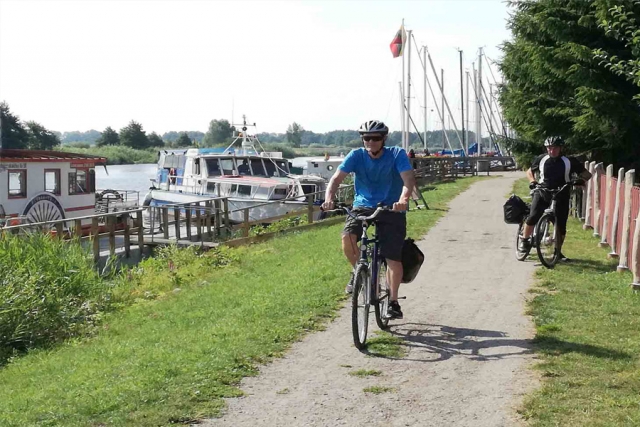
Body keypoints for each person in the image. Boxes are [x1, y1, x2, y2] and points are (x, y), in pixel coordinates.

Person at [322, 120, 416, 319]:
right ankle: (359, 272)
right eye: (367, 138)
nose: (371, 142)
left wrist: (403, 199)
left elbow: (408, 179)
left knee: (392, 256)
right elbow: (336, 178)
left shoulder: (396, 154)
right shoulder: (356, 155)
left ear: (384, 139)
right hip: (362, 205)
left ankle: (393, 302)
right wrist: (329, 198)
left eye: (375, 138)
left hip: (391, 207)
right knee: (347, 238)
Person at [519, 136, 592, 261]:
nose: (552, 151)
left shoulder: (569, 161)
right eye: (549, 148)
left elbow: (587, 174)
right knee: (534, 215)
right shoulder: (542, 159)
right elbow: (529, 171)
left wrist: (580, 180)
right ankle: (524, 241)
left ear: (560, 149)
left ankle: (558, 253)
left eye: (555, 148)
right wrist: (532, 181)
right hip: (543, 191)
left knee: (561, 225)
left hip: (561, 193)